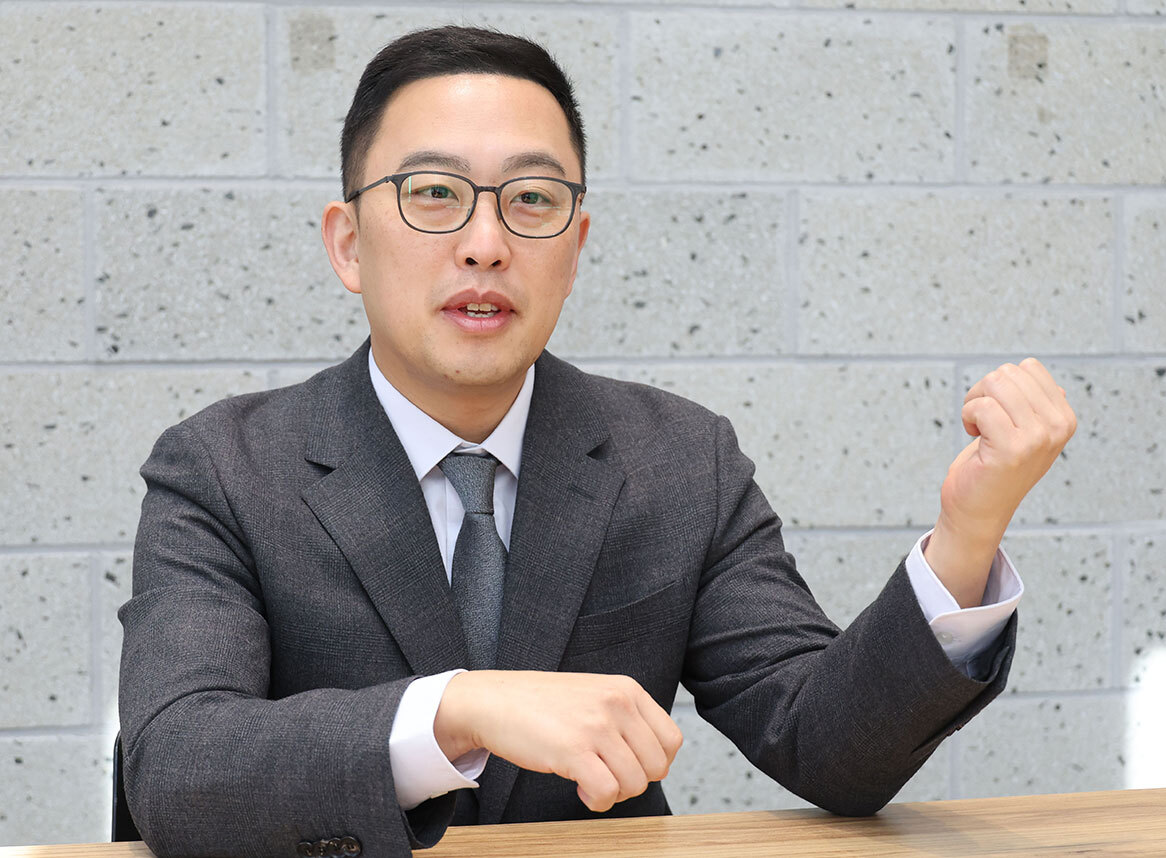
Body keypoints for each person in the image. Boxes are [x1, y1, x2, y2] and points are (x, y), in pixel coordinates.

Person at [117, 25, 1076, 858]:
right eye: (434, 192)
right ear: (348, 244)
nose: (486, 243)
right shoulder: (222, 468)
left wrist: (966, 537)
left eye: (531, 200)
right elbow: (178, 764)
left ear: (575, 249)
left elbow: (826, 743)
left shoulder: (680, 460)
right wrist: (457, 708)